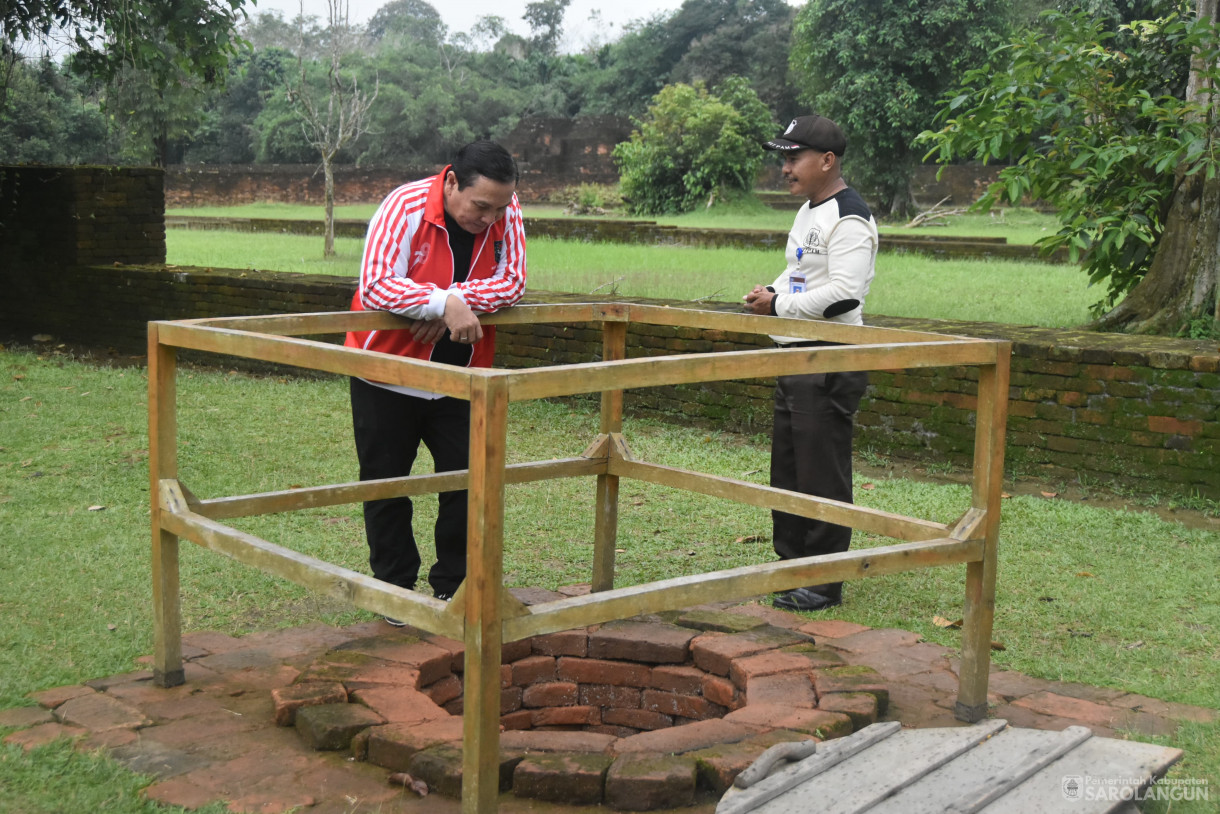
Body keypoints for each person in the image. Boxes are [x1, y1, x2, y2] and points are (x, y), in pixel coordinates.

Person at [345, 140, 526, 616]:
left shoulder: (506, 211)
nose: (489, 219)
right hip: (385, 372)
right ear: (450, 183)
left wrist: (449, 301)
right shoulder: (403, 206)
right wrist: (442, 304)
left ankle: (455, 586)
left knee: (468, 483)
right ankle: (394, 590)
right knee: (385, 485)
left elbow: (512, 282)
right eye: (480, 206)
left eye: (498, 208)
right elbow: (378, 282)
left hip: (461, 375)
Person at [742, 115, 878, 612]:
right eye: (783, 157)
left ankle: (823, 579)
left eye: (794, 157)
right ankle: (792, 565)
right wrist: (773, 290)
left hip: (830, 354)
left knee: (821, 471)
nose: (785, 167)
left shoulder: (850, 216)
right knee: (790, 468)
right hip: (797, 350)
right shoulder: (810, 210)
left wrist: (778, 307)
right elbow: (801, 271)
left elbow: (844, 294)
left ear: (827, 161)